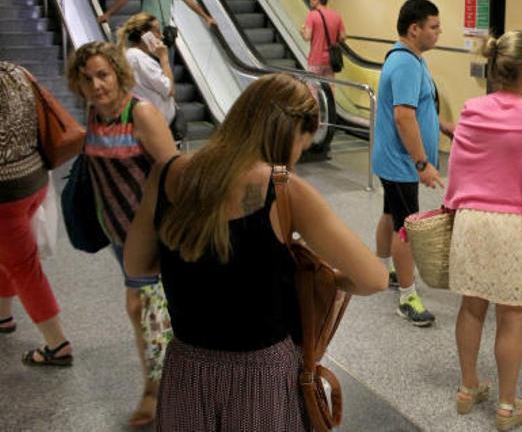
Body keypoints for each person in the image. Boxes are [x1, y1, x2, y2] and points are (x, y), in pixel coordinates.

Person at [122, 73, 388, 430]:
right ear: (291, 132)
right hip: (260, 377)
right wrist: (327, 280)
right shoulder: (283, 188)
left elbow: (137, 265)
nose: (297, 158)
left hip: (186, 368)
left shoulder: (168, 172)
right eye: (302, 145)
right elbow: (374, 279)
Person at [445, 30, 522, 431]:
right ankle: (507, 409)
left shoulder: (472, 109)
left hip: (472, 221)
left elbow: (458, 168)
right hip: (517, 224)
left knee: (471, 308)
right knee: (511, 318)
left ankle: (467, 389)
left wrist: (452, 207)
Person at [66, 41, 178, 428]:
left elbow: (174, 174)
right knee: (147, 312)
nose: (97, 85)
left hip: (153, 235)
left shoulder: (140, 113)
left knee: (145, 311)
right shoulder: (94, 115)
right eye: (88, 79)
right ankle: (165, 385)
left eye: (103, 75)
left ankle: (156, 392)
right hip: (119, 235)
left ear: (117, 74)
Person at [371, 0, 444, 327]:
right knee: (407, 229)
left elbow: (419, 106)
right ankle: (407, 297)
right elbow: (403, 117)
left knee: (391, 214)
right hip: (402, 162)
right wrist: (421, 163)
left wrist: (443, 126)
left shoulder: (412, 59)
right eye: (434, 26)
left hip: (395, 160)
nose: (438, 32)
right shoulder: (404, 64)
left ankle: (383, 267)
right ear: (414, 29)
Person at [0, 61, 74, 367]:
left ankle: (57, 344)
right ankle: (3, 316)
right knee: (9, 255)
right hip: (35, 182)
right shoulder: (16, 72)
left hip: (4, 194)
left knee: (23, 266)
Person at [117, 13, 176, 124]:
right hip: (154, 124)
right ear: (145, 34)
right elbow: (169, 90)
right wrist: (164, 59)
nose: (161, 36)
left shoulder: (131, 56)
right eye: (157, 32)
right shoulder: (140, 59)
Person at [299, 0, 346, 78]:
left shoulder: (312, 15)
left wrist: (302, 32)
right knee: (330, 88)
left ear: (317, 0)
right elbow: (343, 37)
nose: (310, 1)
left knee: (312, 88)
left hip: (316, 59)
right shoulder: (336, 16)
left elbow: (307, 37)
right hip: (331, 60)